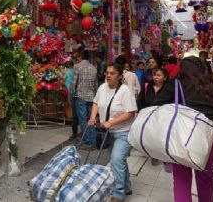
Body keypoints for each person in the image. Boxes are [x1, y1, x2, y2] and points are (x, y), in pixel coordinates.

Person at [153, 56, 213, 202]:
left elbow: (156, 105)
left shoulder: (175, 85)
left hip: (183, 139)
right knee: (206, 177)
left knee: (181, 178)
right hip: (212, 139)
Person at [88, 63, 137, 202]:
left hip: (124, 132)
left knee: (115, 159)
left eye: (112, 73)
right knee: (119, 161)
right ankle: (127, 187)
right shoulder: (102, 88)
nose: (108, 75)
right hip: (109, 133)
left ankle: (118, 193)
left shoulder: (125, 91)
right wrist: (93, 117)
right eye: (107, 73)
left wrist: (111, 122)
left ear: (120, 76)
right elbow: (95, 103)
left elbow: (130, 113)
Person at [137, 68, 172, 172]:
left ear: (165, 78)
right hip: (150, 118)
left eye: (158, 75)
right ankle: (154, 155)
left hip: (164, 118)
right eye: (154, 75)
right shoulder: (147, 86)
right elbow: (141, 100)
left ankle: (167, 160)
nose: (155, 77)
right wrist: (140, 113)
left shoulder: (170, 89)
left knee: (165, 139)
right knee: (152, 138)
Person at [69, 50, 98, 149]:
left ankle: (87, 142)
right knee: (91, 119)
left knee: (83, 120)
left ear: (80, 57)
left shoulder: (77, 66)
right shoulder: (94, 68)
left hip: (80, 96)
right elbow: (95, 85)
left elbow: (73, 84)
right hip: (92, 97)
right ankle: (93, 142)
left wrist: (69, 95)